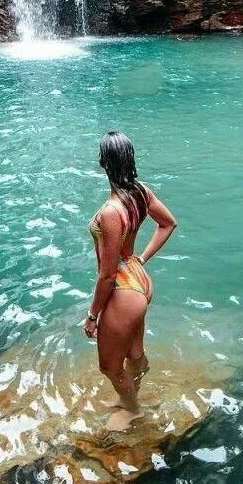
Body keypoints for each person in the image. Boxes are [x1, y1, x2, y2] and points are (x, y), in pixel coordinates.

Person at [85, 131, 177, 431]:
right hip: (139, 280)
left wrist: (92, 315)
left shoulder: (111, 212)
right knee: (134, 352)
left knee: (109, 365)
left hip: (123, 288)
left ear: (103, 163)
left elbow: (108, 274)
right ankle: (130, 396)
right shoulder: (140, 193)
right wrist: (141, 258)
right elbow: (168, 223)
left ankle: (133, 410)